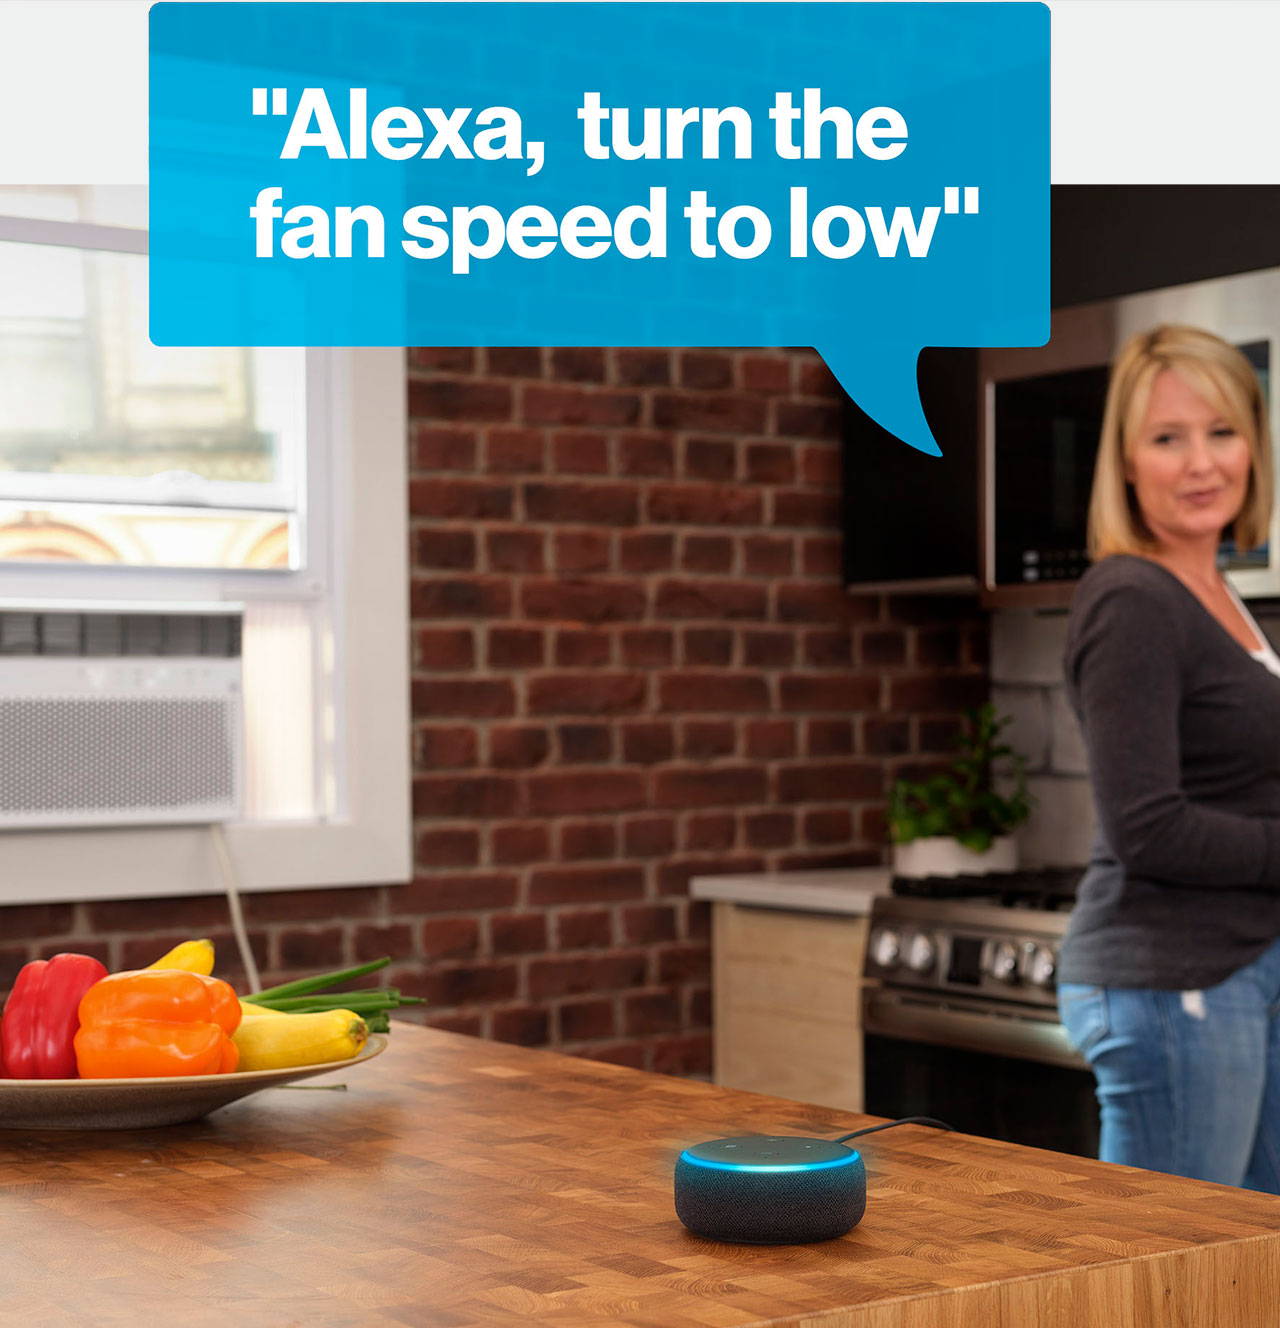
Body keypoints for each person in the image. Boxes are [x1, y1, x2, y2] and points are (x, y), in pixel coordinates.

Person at [1057, 323, 1280, 1192]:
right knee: (1170, 1295)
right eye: (1167, 438)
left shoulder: (1219, 594)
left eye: (1221, 432)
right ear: (1124, 463)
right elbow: (1151, 829)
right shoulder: (1132, 598)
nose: (1201, 464)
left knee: (1245, 1275)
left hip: (1233, 974)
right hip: (1172, 982)